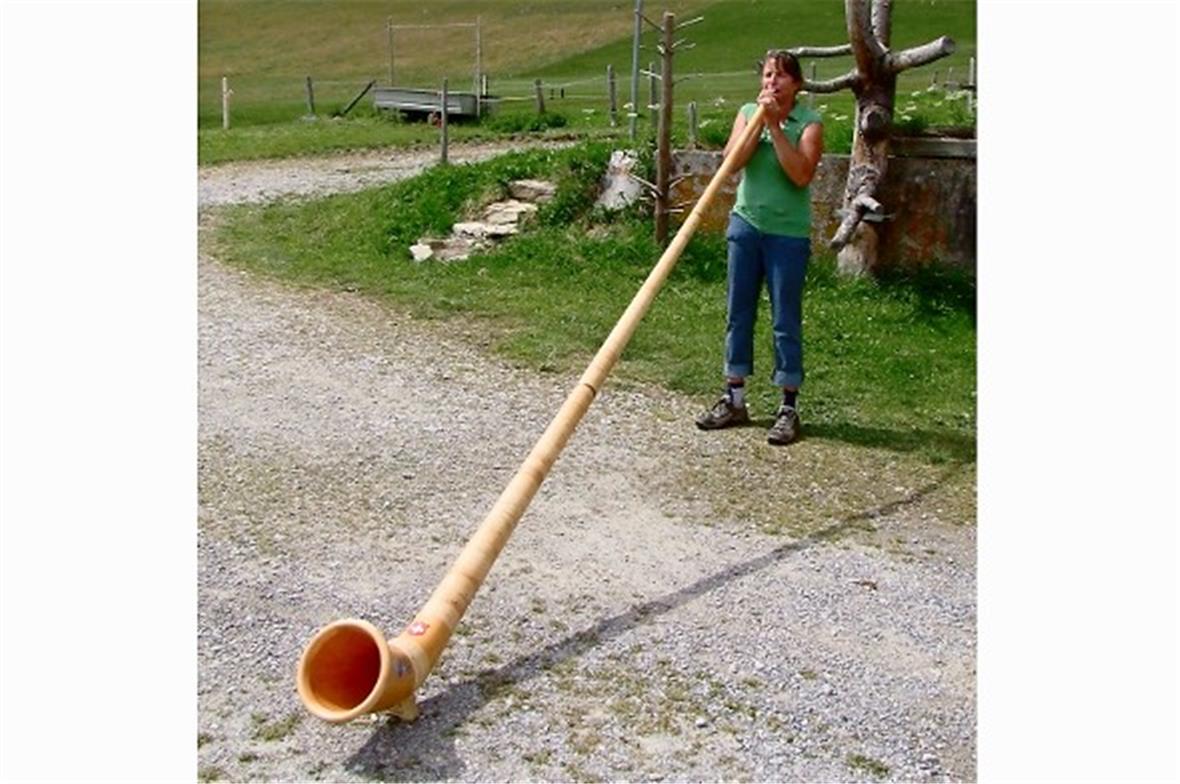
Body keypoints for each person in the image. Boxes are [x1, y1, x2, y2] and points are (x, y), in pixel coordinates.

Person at [695, 49, 824, 445]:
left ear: (796, 84)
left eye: (782, 76)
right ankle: (734, 398)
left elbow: (801, 174)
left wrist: (777, 127)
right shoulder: (748, 112)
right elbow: (732, 163)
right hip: (746, 226)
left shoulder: (810, 123)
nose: (773, 82)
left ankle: (788, 407)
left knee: (785, 320)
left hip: (788, 234)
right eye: (768, 75)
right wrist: (758, 123)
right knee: (739, 313)